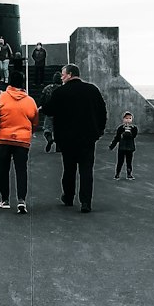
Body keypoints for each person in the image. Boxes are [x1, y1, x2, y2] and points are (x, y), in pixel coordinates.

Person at [44, 63, 108, 213]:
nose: (61, 76)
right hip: (88, 138)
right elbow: (102, 111)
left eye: (63, 74)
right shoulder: (92, 90)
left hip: (67, 139)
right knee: (86, 170)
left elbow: (49, 109)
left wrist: (40, 107)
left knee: (69, 169)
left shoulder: (61, 92)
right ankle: (86, 202)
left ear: (70, 74)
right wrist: (99, 130)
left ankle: (68, 197)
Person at [0, 70, 39, 214]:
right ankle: (21, 201)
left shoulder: (1, 96)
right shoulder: (30, 101)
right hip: (22, 141)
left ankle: (5, 200)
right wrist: (27, 133)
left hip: (2, 139)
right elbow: (35, 121)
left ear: (9, 82)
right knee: (21, 170)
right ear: (23, 83)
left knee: (3, 170)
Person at [108, 111, 139, 180]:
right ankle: (117, 174)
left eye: (129, 118)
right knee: (120, 162)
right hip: (122, 148)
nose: (128, 120)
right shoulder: (120, 128)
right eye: (126, 118)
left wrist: (129, 132)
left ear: (132, 119)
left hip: (130, 148)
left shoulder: (134, 128)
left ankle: (129, 174)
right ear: (123, 119)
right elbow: (117, 138)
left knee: (129, 162)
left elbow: (134, 136)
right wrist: (112, 146)